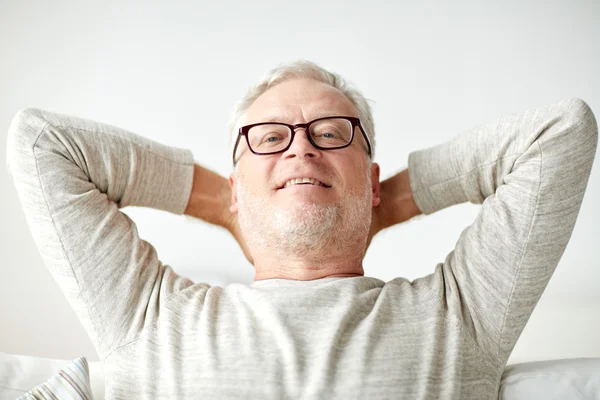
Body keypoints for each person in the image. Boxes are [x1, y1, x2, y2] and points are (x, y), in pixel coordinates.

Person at [5, 59, 597, 400]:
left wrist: (382, 204)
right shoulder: (151, 320)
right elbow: (42, 143)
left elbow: (561, 133)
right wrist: (224, 204)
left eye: (330, 132)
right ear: (236, 187)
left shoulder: (456, 318)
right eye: (269, 138)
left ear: (370, 180)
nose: (301, 149)